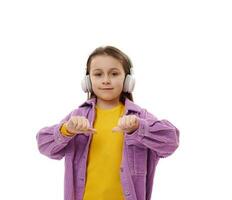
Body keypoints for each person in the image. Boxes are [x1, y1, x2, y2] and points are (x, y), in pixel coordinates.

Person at [36, 46, 180, 200]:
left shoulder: (139, 117)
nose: (106, 80)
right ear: (88, 81)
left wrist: (139, 128)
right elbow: (44, 145)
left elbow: (171, 141)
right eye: (98, 74)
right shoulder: (77, 117)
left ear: (127, 80)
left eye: (114, 74)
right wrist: (66, 130)